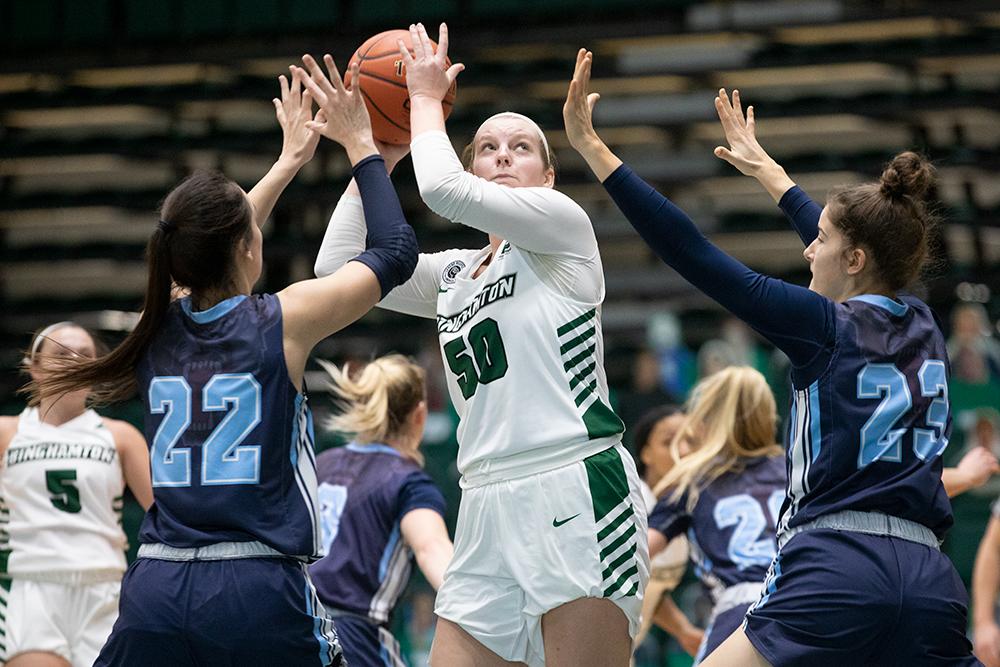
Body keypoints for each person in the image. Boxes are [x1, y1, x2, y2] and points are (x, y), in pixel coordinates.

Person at [564, 48, 980, 665]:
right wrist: (771, 175)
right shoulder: (923, 322)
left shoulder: (822, 325)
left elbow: (694, 254)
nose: (810, 252)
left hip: (835, 569)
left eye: (822, 243)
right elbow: (854, 236)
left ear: (855, 258)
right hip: (929, 580)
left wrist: (595, 151)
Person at [30, 58, 418, 667]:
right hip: (253, 588)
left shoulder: (157, 324)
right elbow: (395, 251)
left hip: (155, 588)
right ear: (246, 246)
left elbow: (207, 247)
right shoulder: (282, 321)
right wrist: (363, 145)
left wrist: (289, 162)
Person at [311, 23, 648, 667]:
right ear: (471, 164)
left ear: (547, 177)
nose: (500, 155)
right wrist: (379, 151)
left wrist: (424, 102)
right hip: (484, 498)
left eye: (520, 147)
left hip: (573, 485)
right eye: (487, 146)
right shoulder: (456, 273)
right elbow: (340, 267)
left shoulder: (564, 232)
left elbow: (442, 191)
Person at [0, 322, 152, 667]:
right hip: (30, 588)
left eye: (85, 355)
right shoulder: (7, 432)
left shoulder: (120, 436)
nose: (74, 360)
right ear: (34, 368)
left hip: (105, 590)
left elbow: (166, 517)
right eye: (61, 353)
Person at [309, 354, 453, 666]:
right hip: (353, 637)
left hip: (296, 625)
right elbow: (431, 548)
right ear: (420, 414)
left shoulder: (322, 463)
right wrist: (478, 605)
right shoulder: (408, 482)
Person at [645, 367, 784, 665]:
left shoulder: (692, 481)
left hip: (742, 610)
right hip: (805, 601)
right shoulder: (796, 468)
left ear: (706, 418)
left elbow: (638, 553)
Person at [629, 406, 701, 657]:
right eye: (669, 441)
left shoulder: (688, 509)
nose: (682, 451)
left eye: (690, 441)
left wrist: (682, 630)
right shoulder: (628, 504)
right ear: (646, 454)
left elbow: (650, 588)